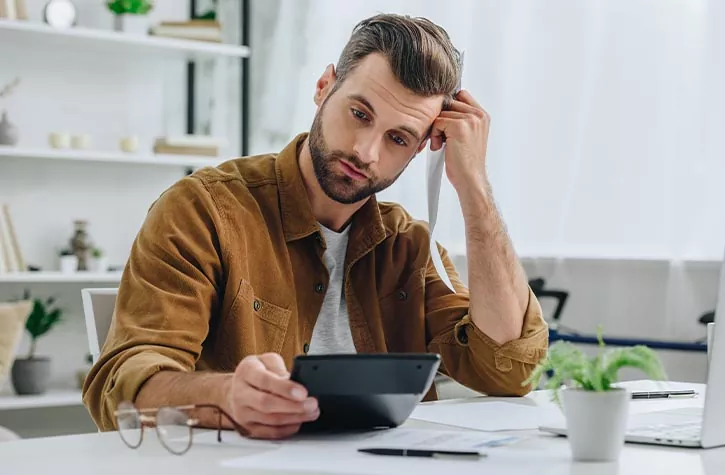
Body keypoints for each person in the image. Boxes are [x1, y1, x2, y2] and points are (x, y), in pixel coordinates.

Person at [83, 13, 548, 439]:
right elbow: (120, 386)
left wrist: (474, 186)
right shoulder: (204, 210)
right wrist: (224, 395)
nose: (366, 152)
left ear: (426, 146)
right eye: (360, 114)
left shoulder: (409, 245)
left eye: (398, 138)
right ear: (325, 86)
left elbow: (509, 370)